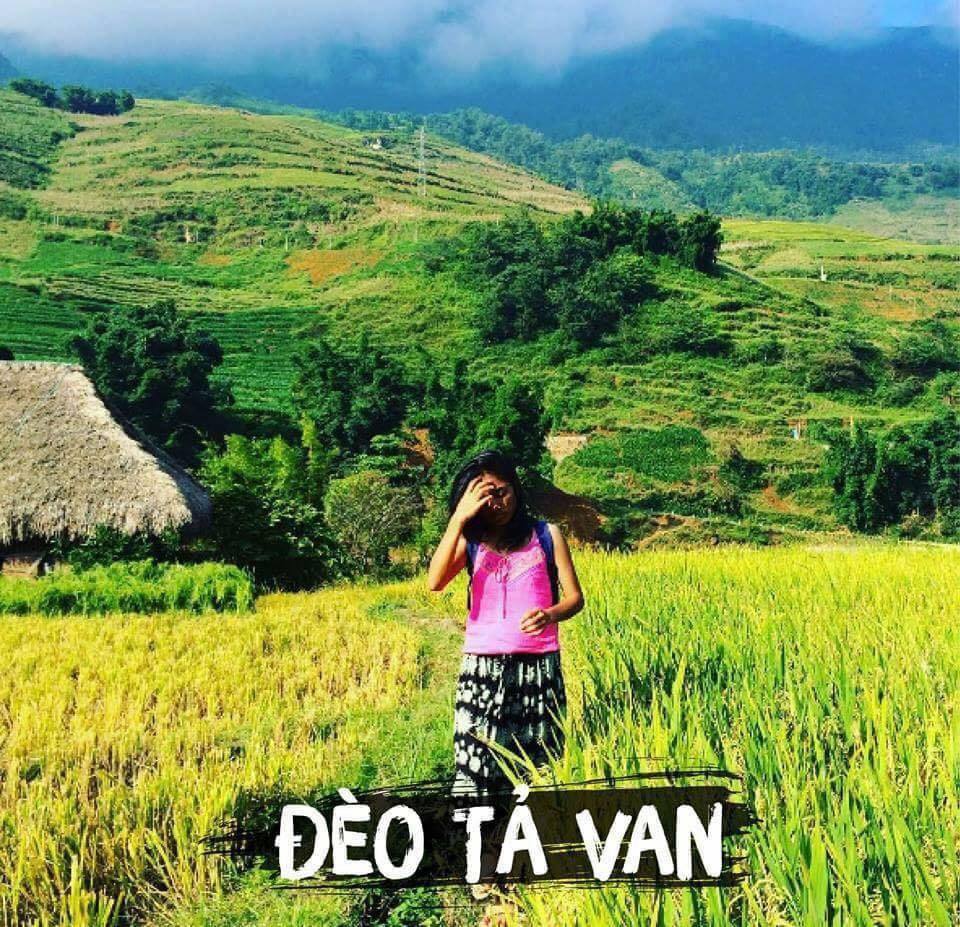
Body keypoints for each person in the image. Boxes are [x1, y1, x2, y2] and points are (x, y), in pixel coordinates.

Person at [427, 449, 585, 800]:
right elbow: (434, 581)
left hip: (538, 667)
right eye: (485, 496)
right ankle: (477, 830)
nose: (496, 503)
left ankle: (530, 830)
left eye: (501, 492)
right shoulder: (472, 541)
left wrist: (550, 614)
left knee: (539, 763)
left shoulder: (547, 535)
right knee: (474, 761)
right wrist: (458, 519)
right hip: (481, 667)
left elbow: (575, 598)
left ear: (515, 487)